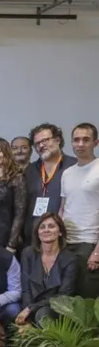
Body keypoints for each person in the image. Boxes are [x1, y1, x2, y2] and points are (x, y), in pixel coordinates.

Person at [59, 122, 99, 299]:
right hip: (66, 243)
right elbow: (63, 208)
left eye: (86, 140)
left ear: (95, 143)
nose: (80, 144)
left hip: (89, 243)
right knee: (66, 300)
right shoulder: (67, 173)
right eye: (76, 140)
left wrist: (97, 252)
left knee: (86, 301)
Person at [16, 213, 77, 328]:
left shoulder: (70, 259)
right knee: (12, 311)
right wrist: (27, 315)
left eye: (51, 226)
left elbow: (63, 295)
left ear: (60, 232)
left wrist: (30, 309)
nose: (46, 230)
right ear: (38, 232)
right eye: (42, 227)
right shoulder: (28, 253)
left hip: (56, 307)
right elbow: (26, 289)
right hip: (30, 305)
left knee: (43, 314)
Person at [23, 123, 76, 247]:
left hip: (63, 236)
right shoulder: (30, 170)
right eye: (37, 143)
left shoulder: (74, 166)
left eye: (45, 140)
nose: (41, 145)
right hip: (33, 236)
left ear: (57, 140)